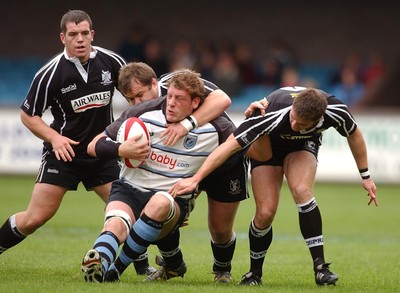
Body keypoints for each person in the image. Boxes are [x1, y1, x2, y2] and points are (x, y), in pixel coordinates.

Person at [169, 86, 378, 286]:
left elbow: (354, 135)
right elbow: (228, 147)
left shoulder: (336, 111)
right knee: (266, 212)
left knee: (302, 190)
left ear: (318, 119)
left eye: (301, 123)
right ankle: (255, 273)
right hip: (267, 146)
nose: (294, 124)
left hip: (303, 145)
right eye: (293, 118)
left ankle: (320, 268)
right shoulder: (269, 113)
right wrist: (195, 179)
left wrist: (365, 176)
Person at [81, 70, 266, 283]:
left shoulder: (217, 128)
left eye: (178, 99)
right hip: (133, 188)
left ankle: (221, 269)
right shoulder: (142, 113)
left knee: (220, 228)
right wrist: (122, 149)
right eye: (170, 97)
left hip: (215, 170)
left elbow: (228, 115)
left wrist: (196, 184)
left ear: (196, 102)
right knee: (116, 223)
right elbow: (94, 145)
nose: (170, 103)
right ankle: (101, 263)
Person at [0, 10, 127, 256]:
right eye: (73, 34)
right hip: (64, 154)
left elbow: (136, 93)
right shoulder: (50, 74)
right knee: (35, 218)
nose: (79, 39)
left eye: (83, 33)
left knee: (125, 210)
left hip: (101, 152)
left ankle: (144, 267)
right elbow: (28, 115)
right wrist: (54, 138)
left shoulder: (112, 62)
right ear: (63, 38)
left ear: (92, 34)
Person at [115, 61, 236, 277]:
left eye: (139, 95)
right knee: (161, 209)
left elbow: (223, 99)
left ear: (154, 84)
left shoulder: (178, 82)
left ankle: (222, 270)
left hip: (224, 157)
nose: (135, 103)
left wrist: (186, 124)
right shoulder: (146, 115)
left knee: (220, 228)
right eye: (130, 99)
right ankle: (172, 264)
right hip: (190, 162)